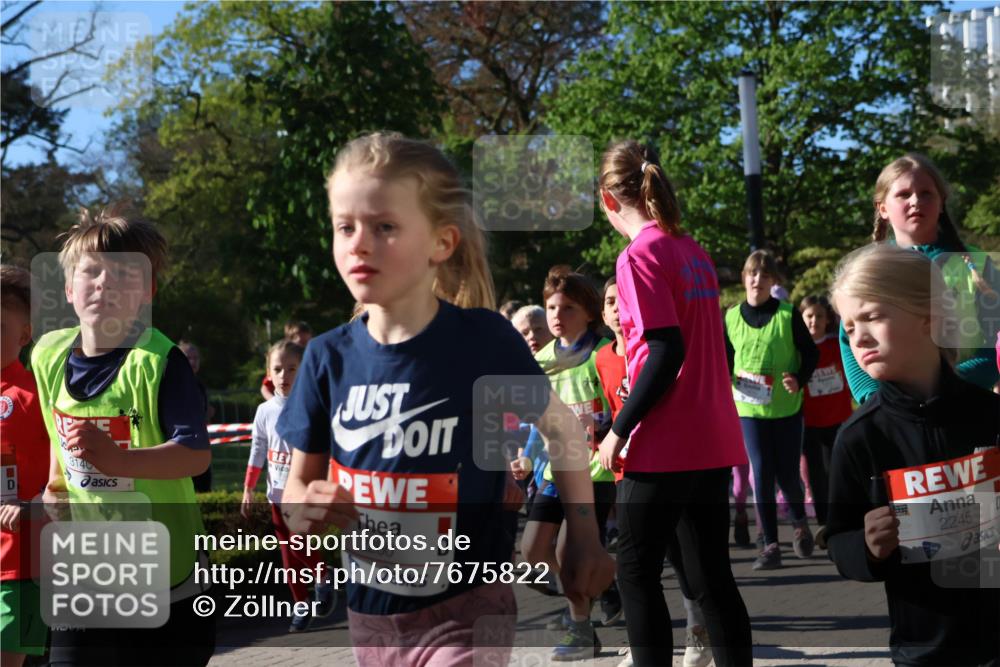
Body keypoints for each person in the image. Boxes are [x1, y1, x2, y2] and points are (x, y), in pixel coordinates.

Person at [276, 132, 614, 667]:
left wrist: (585, 535)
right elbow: (297, 485)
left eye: (384, 226)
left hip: (469, 605)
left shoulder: (483, 340)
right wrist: (305, 509)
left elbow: (562, 429)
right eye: (345, 226)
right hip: (371, 615)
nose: (358, 243)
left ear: (441, 242)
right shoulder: (325, 357)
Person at [35, 205, 215, 666]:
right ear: (69, 288)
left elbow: (195, 454)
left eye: (123, 274)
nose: (105, 283)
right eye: (92, 271)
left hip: (167, 577)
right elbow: (58, 433)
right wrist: (55, 485)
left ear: (146, 292)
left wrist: (119, 462)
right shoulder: (47, 355)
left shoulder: (160, 361)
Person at [596, 140, 751, 667]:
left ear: (608, 199)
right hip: (712, 434)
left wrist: (619, 427)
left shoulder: (638, 256)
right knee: (712, 579)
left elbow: (665, 350)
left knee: (635, 573)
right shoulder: (693, 251)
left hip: (665, 440)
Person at [826, 243, 999, 665]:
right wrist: (867, 546)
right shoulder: (860, 437)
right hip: (924, 649)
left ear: (929, 315)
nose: (858, 337)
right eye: (849, 326)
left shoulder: (991, 416)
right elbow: (839, 539)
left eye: (872, 316)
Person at [594, 276, 712, 667]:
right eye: (609, 302)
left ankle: (697, 627)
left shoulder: (653, 349)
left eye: (621, 300)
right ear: (602, 313)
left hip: (665, 462)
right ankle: (641, 641)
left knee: (678, 553)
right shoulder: (601, 358)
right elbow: (608, 410)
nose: (616, 308)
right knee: (638, 564)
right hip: (625, 466)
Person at [840, 153, 999, 403]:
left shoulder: (978, 264)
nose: (916, 201)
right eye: (903, 194)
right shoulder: (867, 271)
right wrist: (874, 398)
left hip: (967, 402)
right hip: (895, 410)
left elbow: (996, 338)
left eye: (926, 193)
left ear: (941, 202)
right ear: (882, 208)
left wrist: (952, 385)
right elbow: (849, 337)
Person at [518, 267, 619, 660]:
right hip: (554, 470)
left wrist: (606, 432)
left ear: (589, 313)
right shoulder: (541, 360)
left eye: (568, 308)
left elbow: (619, 407)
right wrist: (527, 456)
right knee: (532, 550)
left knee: (568, 553)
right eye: (551, 308)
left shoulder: (603, 354)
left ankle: (582, 631)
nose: (557, 316)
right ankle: (604, 581)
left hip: (595, 472)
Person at [724, 249, 819, 569]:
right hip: (749, 410)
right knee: (761, 473)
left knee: (788, 474)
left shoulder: (788, 315)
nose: (757, 280)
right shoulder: (731, 317)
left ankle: (799, 523)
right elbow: (724, 359)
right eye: (752, 273)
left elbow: (811, 354)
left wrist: (799, 378)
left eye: (765, 275)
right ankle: (770, 544)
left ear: (773, 281)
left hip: (786, 408)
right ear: (744, 278)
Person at [241, 340, 335, 632]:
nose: (284, 376)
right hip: (276, 496)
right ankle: (301, 604)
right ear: (268, 372)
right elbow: (258, 450)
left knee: (298, 545)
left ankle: (323, 578)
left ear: (303, 370)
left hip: (302, 494)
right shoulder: (264, 411)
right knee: (287, 557)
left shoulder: (312, 406)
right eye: (278, 369)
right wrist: (248, 489)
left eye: (292, 369)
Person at [1, 265, 50, 667]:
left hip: (19, 564)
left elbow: (66, 470)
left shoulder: (35, 395)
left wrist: (34, 503)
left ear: (23, 335)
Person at [799, 295, 853, 549]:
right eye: (809, 316)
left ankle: (843, 520)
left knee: (837, 473)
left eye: (819, 316)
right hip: (810, 423)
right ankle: (824, 525)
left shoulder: (836, 344)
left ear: (828, 319)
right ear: (801, 319)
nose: (814, 321)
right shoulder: (797, 349)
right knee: (816, 478)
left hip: (839, 420)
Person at [179, 340, 213, 492]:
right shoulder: (172, 384)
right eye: (188, 358)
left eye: (196, 358)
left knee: (204, 490)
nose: (193, 362)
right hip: (180, 449)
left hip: (201, 446)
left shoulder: (199, 385)